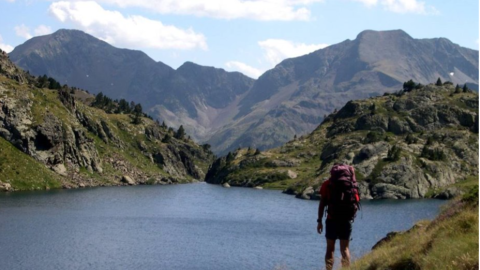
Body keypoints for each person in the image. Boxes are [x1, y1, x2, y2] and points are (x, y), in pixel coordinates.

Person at [317, 164, 360, 270]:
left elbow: (322, 204)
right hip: (346, 220)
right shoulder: (352, 185)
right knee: (345, 249)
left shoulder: (327, 184)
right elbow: (356, 201)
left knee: (330, 249)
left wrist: (319, 221)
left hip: (332, 220)